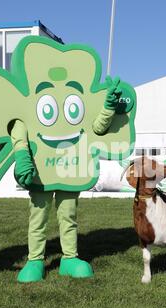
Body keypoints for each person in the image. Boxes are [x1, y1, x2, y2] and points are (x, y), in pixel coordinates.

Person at [10, 76, 122, 283]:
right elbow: (18, 125)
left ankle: (69, 258)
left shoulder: (79, 99)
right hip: (40, 172)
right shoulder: (28, 98)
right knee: (37, 219)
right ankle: (35, 259)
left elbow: (96, 128)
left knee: (68, 216)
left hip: (70, 169)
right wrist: (21, 153)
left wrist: (108, 108)